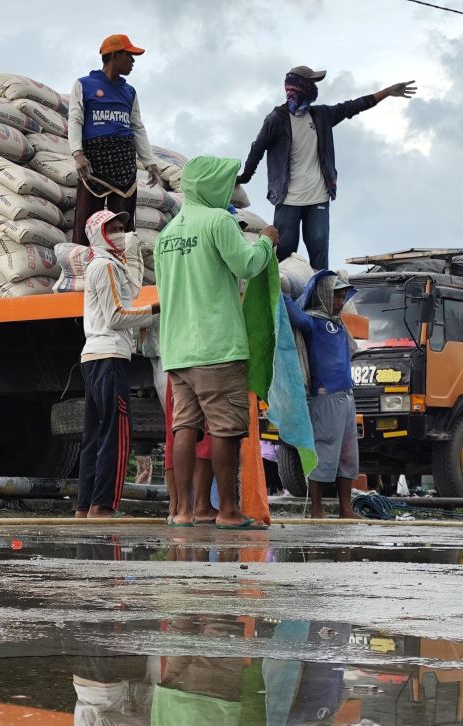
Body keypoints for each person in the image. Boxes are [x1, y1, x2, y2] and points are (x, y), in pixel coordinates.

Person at [154, 155, 280, 529]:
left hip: (177, 349)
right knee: (226, 427)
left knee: (184, 427)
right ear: (212, 186)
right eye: (226, 183)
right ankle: (227, 510)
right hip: (217, 345)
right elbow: (246, 265)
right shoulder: (219, 221)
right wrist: (266, 243)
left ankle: (182, 511)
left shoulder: (166, 235)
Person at [237, 66, 416, 270]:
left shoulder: (321, 115)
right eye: (311, 83)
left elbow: (353, 106)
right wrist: (245, 176)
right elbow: (257, 148)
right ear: (299, 87)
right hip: (288, 199)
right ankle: (280, 299)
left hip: (318, 199)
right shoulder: (276, 120)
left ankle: (321, 299)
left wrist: (387, 92)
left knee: (319, 255)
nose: (314, 88)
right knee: (284, 254)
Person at [75, 210, 158, 519]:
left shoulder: (107, 265)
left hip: (96, 357)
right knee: (117, 433)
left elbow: (130, 293)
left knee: (95, 435)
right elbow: (117, 316)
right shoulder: (105, 267)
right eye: (115, 229)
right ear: (99, 234)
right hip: (109, 357)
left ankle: (85, 506)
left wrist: (134, 258)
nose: (121, 234)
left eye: (123, 228)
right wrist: (155, 310)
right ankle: (104, 505)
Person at [68, 34, 163, 246]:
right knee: (87, 218)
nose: (133, 61)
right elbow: (75, 119)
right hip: (93, 162)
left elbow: (137, 126)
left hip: (124, 163)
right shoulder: (84, 85)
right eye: (129, 56)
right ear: (114, 55)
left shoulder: (129, 91)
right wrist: (78, 154)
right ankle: (84, 264)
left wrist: (150, 162)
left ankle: (124, 263)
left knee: (123, 222)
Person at [284, 271, 362, 519]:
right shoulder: (312, 321)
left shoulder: (338, 324)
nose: (341, 302)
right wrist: (277, 289)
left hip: (346, 397)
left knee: (348, 455)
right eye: (337, 296)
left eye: (342, 297)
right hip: (324, 397)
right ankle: (316, 509)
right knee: (324, 452)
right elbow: (291, 313)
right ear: (325, 296)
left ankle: (345, 509)